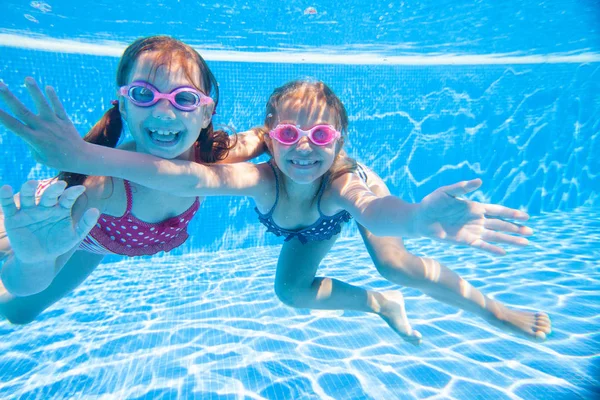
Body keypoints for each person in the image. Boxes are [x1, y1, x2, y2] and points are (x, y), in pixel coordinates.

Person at [0, 77, 551, 342]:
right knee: (290, 294)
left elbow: (373, 208)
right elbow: (186, 173)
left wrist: (413, 218)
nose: (305, 147)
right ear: (271, 138)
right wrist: (81, 155)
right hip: (304, 229)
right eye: (289, 133)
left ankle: (493, 311)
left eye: (321, 134)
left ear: (339, 140)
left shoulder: (338, 182)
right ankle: (379, 305)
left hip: (353, 208)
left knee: (396, 263)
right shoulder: (259, 179)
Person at [0, 35, 267, 324]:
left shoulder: (211, 155)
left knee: (20, 312)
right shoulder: (102, 188)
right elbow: (27, 283)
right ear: (124, 106)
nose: (164, 112)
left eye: (184, 98)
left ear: (206, 113)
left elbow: (260, 136)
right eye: (143, 94)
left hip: (96, 241)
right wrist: (33, 260)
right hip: (36, 219)